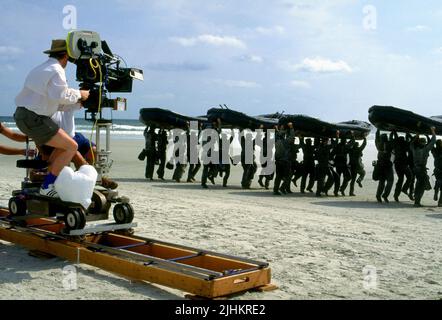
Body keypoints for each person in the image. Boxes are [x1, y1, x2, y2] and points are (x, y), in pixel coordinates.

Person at [14, 39, 90, 197]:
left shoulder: (40, 68)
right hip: (34, 118)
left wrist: (77, 104)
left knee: (63, 146)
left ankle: (46, 178)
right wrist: (80, 94)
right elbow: (61, 95)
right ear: (66, 57)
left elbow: (52, 102)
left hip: (22, 116)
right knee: (72, 146)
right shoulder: (57, 69)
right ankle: (47, 186)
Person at [51, 110, 118, 189]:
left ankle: (92, 176)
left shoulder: (68, 102)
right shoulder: (46, 105)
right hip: (58, 140)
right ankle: (93, 179)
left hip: (74, 136)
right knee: (76, 155)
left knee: (95, 151)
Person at [410, 127, 436, 207]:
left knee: (419, 184)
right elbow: (433, 141)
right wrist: (432, 131)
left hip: (415, 169)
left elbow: (411, 143)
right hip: (421, 170)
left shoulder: (414, 149)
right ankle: (417, 202)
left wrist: (417, 135)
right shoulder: (425, 150)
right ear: (424, 143)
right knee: (421, 186)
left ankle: (416, 200)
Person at [391, 131, 413, 202]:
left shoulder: (395, 145)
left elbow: (393, 138)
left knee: (400, 179)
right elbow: (411, 141)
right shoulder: (405, 146)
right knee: (410, 177)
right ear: (403, 141)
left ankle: (396, 195)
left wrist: (393, 132)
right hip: (403, 164)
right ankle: (404, 189)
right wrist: (408, 133)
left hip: (397, 164)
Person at [332, 131, 352, 196]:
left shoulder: (343, 146)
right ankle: (338, 191)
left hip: (341, 164)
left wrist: (337, 136)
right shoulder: (345, 146)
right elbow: (352, 142)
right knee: (345, 177)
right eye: (344, 140)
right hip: (340, 164)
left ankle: (340, 190)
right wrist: (352, 135)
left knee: (346, 177)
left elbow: (352, 143)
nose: (345, 141)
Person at [431, 139, 442, 207]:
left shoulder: (434, 150)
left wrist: (429, 136)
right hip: (440, 170)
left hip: (437, 169)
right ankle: (440, 202)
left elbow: (431, 144)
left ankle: (436, 192)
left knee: (438, 181)